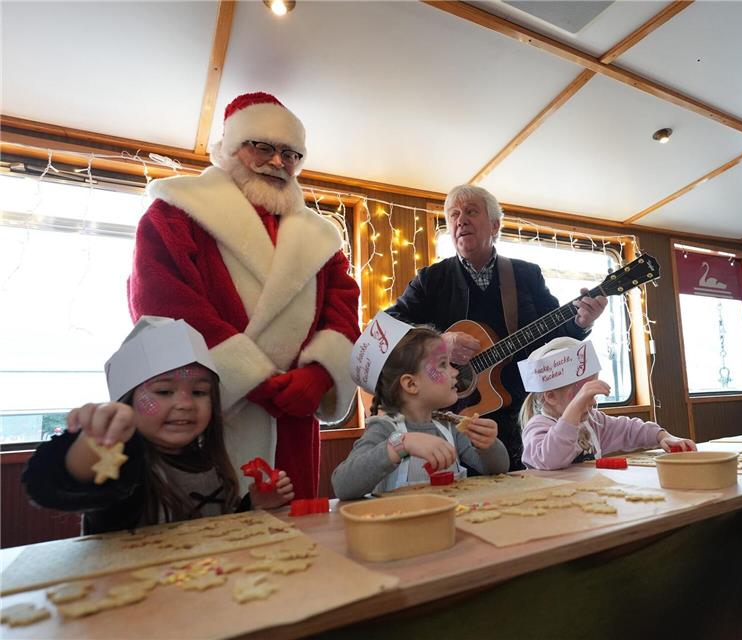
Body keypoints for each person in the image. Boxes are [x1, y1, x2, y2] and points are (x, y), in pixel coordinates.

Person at [128, 92, 361, 499]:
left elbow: (343, 311)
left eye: (291, 154)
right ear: (232, 150)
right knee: (212, 550)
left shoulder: (322, 238)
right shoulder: (176, 212)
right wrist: (253, 378)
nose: (278, 162)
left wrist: (320, 373)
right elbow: (162, 304)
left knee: (294, 549)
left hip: (292, 419)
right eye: (264, 148)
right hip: (207, 416)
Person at [387, 184, 607, 470]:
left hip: (520, 417)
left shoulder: (526, 275)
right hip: (448, 418)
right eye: (453, 215)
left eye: (471, 212)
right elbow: (389, 327)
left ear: (494, 225)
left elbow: (555, 335)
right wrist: (438, 343)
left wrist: (581, 324)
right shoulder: (430, 280)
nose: (460, 220)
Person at [22, 317, 295, 534]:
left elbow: (217, 529)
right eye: (164, 392)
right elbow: (60, 483)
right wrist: (97, 441)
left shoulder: (211, 462)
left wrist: (254, 505)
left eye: (199, 392)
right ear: (127, 401)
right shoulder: (125, 464)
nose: (186, 403)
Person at [331, 312, 509, 499]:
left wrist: (488, 445)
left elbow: (497, 469)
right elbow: (342, 485)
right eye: (442, 364)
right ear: (411, 384)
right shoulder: (384, 429)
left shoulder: (450, 428)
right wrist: (400, 445)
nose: (455, 372)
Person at [518, 337, 695, 470]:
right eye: (581, 396)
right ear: (550, 397)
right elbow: (551, 459)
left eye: (591, 395)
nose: (592, 402)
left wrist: (662, 436)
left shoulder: (592, 422)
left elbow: (628, 430)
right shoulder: (537, 426)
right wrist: (576, 407)